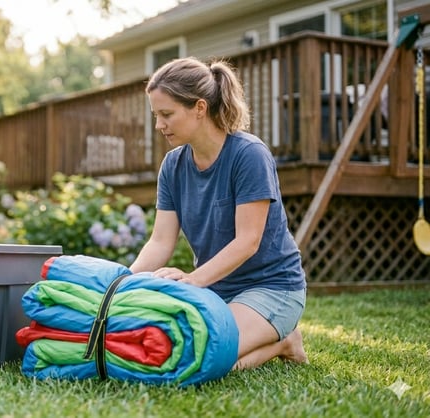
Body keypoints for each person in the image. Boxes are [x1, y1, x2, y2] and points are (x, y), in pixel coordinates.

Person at [129, 56, 309, 370]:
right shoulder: (173, 166)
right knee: (168, 349)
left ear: (200, 108)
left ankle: (284, 340)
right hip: (216, 289)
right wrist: (123, 284)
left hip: (272, 287)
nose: (159, 125)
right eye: (156, 115)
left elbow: (248, 242)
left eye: (166, 114)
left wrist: (192, 281)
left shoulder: (248, 155)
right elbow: (160, 242)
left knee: (202, 359)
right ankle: (267, 337)